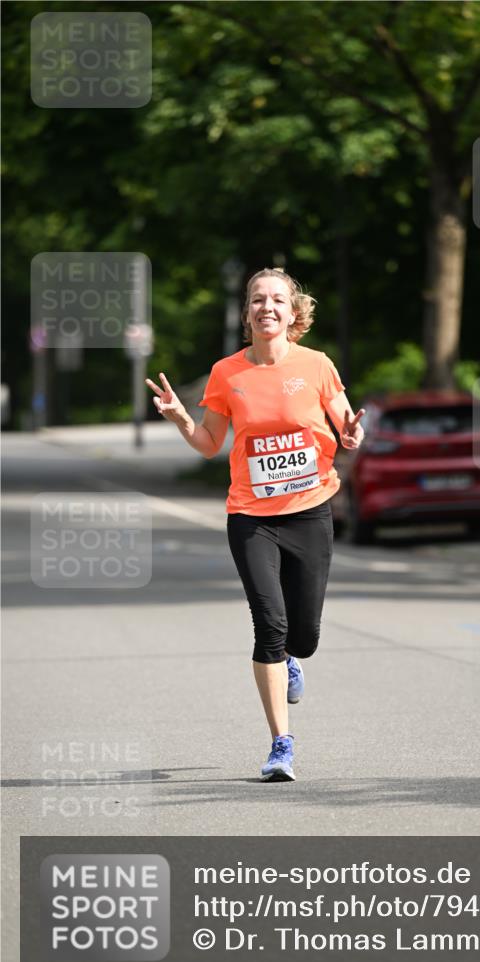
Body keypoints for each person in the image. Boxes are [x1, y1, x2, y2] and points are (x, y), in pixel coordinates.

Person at [146, 267, 364, 782]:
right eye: (258, 300)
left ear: (294, 313)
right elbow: (208, 442)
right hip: (250, 515)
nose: (267, 307)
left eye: (277, 301)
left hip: (310, 509)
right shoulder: (227, 373)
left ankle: (293, 659)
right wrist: (180, 417)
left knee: (303, 635)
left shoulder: (316, 366)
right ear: (247, 314)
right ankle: (280, 744)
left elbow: (346, 425)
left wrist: (352, 436)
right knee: (270, 626)